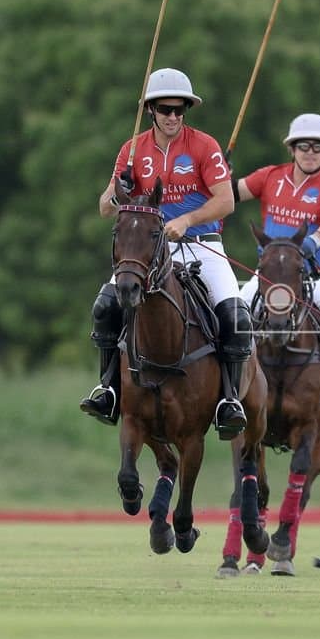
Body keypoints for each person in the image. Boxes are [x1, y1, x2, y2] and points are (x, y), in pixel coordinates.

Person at [79, 67, 252, 440]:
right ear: (151, 111)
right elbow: (105, 208)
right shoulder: (132, 149)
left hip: (202, 246)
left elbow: (226, 202)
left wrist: (188, 220)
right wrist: (118, 190)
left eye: (179, 110)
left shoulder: (205, 146)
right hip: (149, 252)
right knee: (104, 308)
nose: (173, 116)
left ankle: (229, 401)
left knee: (235, 315)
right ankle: (108, 389)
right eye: (165, 109)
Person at [233, 113, 320, 430]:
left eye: (318, 147)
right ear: (292, 148)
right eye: (303, 145)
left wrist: (314, 240)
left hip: (313, 275)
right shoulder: (269, 177)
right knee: (232, 318)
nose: (310, 152)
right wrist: (217, 177)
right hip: (267, 279)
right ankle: (228, 394)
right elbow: (229, 195)